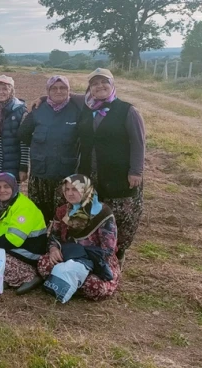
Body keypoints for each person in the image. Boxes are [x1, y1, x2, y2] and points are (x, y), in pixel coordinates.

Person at [77, 68, 145, 263]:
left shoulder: (127, 110)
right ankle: (96, 252)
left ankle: (119, 254)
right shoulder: (87, 109)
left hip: (119, 174)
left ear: (112, 84)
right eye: (94, 83)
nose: (99, 86)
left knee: (122, 216)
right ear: (89, 88)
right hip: (90, 173)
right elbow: (66, 96)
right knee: (91, 213)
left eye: (103, 82)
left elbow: (138, 143)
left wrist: (136, 171)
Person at [37, 174, 120, 301]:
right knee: (44, 264)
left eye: (74, 189)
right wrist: (54, 249)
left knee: (95, 286)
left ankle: (66, 284)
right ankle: (70, 284)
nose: (70, 193)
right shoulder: (62, 211)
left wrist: (82, 262)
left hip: (95, 261)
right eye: (67, 189)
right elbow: (54, 236)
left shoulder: (103, 213)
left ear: (85, 190)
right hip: (68, 256)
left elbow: (108, 250)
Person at [20, 75, 81, 224]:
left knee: (63, 217)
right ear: (48, 91)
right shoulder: (38, 108)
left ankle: (58, 245)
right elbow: (22, 133)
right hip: (41, 173)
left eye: (63, 88)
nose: (58, 91)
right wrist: (38, 148)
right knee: (38, 216)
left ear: (69, 90)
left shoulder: (78, 110)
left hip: (66, 175)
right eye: (54, 88)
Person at [0, 75, 29, 186]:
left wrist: (23, 167)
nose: (1, 92)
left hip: (12, 163)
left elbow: (24, 142)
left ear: (11, 91)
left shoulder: (20, 111)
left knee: (10, 193)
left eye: (5, 89)